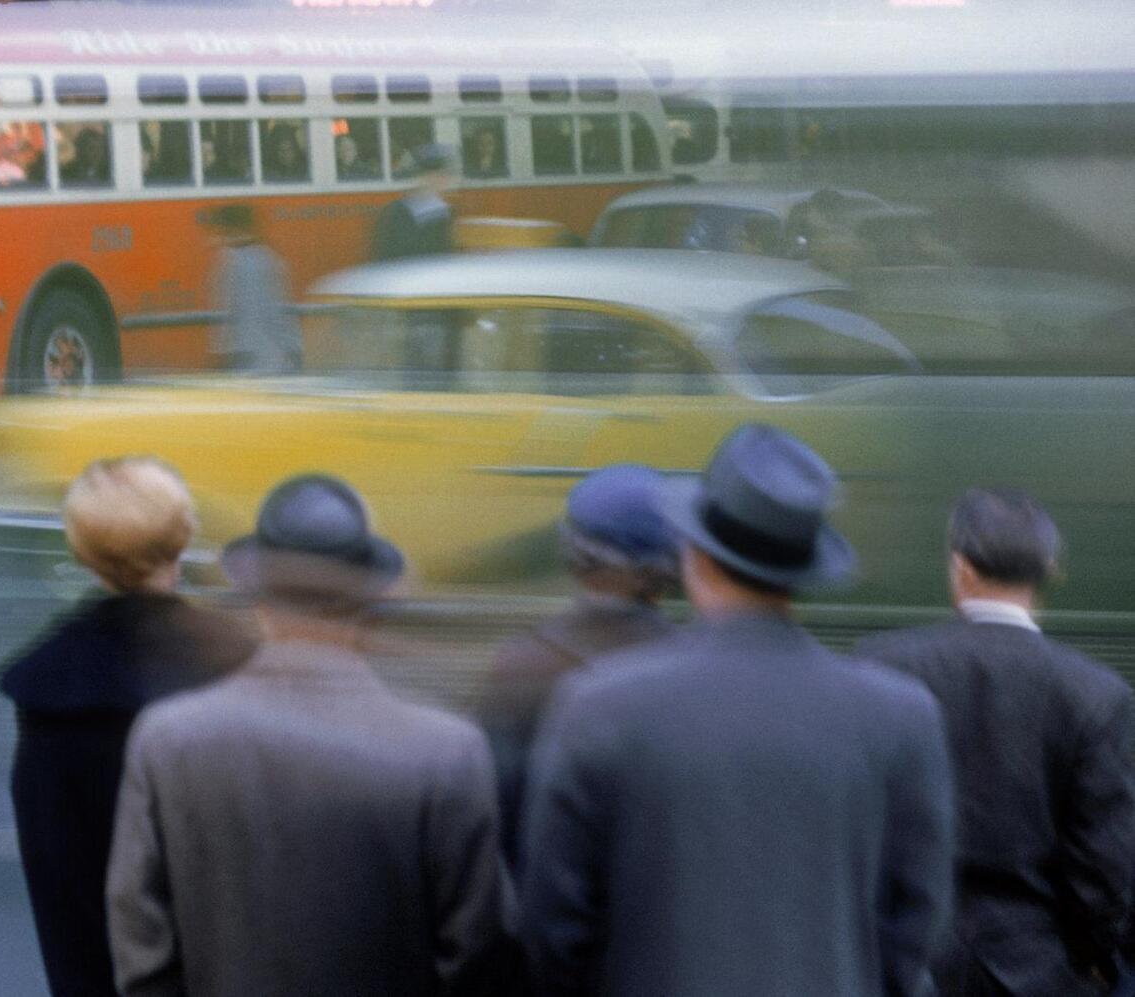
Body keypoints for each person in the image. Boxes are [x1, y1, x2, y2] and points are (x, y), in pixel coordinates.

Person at [519, 423, 954, 997]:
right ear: (802, 572)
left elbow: (555, 923)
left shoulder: (601, 703)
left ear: (693, 554)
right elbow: (917, 920)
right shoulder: (901, 714)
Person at [106, 474, 507, 997]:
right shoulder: (447, 752)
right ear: (369, 601)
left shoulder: (167, 738)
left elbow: (141, 945)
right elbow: (477, 954)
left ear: (258, 599)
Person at [857, 488, 1135, 996]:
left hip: (905, 965)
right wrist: (1091, 960)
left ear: (960, 567)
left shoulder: (881, 667)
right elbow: (1104, 865)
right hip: (1043, 971)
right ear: (1050, 570)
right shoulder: (1097, 695)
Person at [0, 457, 256, 997]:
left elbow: (62, 894)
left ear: (82, 551)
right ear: (183, 537)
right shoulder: (237, 664)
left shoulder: (50, 692)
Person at [478, 464, 677, 867]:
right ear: (670, 568)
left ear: (569, 554)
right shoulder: (692, 667)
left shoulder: (521, 663)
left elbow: (496, 811)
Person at [205, 203, 300, 373]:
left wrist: (220, 350)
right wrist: (293, 346)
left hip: (241, 353)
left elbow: (225, 309)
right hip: (274, 354)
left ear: (229, 228)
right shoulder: (270, 257)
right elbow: (282, 308)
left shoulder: (227, 259)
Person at [369, 142, 456, 261]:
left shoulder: (447, 212)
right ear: (422, 177)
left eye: (443, 175)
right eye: (435, 175)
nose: (442, 180)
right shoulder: (397, 212)